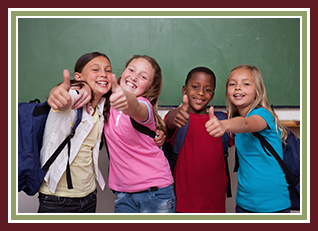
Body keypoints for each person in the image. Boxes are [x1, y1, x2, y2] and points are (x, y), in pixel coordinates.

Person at [205, 64, 291, 213]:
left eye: (246, 83)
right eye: (233, 84)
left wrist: (225, 125)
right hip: (244, 204)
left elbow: (246, 124)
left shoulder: (263, 115)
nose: (238, 87)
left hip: (273, 206)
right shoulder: (237, 119)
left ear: (257, 90)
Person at [37, 52, 113, 213]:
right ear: (78, 76)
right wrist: (59, 96)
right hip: (57, 199)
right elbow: (65, 99)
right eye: (95, 69)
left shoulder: (101, 106)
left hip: (89, 195)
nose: (103, 74)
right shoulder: (74, 97)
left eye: (108, 70)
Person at [104, 55, 175, 213]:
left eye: (143, 76)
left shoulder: (144, 105)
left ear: (150, 87)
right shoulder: (106, 105)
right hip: (123, 193)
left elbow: (134, 107)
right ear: (123, 72)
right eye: (131, 70)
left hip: (155, 192)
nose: (134, 77)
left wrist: (126, 98)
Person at [165, 67, 231, 213]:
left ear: (212, 95)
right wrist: (174, 113)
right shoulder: (179, 118)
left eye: (207, 90)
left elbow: (245, 127)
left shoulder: (222, 121)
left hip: (215, 205)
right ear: (184, 89)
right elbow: (169, 120)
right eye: (195, 87)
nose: (201, 93)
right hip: (182, 205)